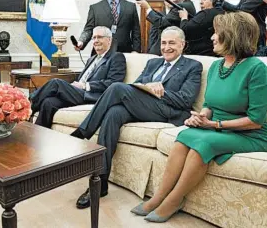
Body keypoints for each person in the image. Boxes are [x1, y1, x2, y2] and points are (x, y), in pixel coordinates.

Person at [131, 11, 267, 223]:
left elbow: (256, 120)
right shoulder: (216, 66)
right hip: (217, 126)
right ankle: (159, 197)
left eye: (217, 33)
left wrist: (213, 124)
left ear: (232, 35)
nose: (212, 37)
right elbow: (208, 105)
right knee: (185, 136)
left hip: (252, 135)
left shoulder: (256, 68)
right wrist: (200, 117)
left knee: (202, 143)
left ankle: (174, 201)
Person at [71, 26, 203, 209]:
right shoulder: (153, 63)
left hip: (168, 111)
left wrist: (161, 92)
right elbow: (136, 85)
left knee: (117, 87)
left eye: (172, 43)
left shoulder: (192, 66)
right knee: (113, 113)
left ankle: (82, 133)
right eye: (163, 43)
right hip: (142, 106)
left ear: (182, 44)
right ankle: (100, 181)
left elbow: (186, 99)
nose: (166, 47)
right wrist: (148, 87)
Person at [30, 26, 126, 128]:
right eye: (94, 38)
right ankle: (35, 135)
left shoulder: (116, 57)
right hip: (78, 93)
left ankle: (28, 105)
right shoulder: (91, 59)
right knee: (48, 102)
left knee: (56, 83)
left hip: (91, 96)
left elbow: (113, 83)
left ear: (109, 40)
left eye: (100, 37)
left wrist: (85, 85)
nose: (96, 41)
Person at [75, 0, 141, 55]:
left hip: (125, 53)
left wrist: (136, 51)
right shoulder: (95, 8)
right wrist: (81, 41)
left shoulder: (131, 7)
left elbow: (136, 31)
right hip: (101, 54)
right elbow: (88, 30)